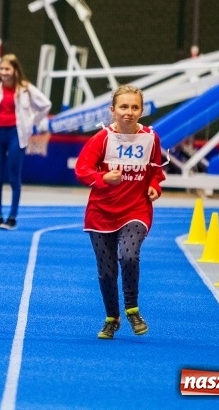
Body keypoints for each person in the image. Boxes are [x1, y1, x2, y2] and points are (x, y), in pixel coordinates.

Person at [74, 84, 166, 339]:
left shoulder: (150, 138)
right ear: (112, 110)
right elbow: (82, 170)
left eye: (134, 107)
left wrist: (154, 186)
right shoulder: (102, 138)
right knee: (107, 271)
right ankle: (111, 318)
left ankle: (132, 310)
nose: (129, 112)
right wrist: (103, 178)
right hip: (101, 214)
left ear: (141, 110)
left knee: (128, 256)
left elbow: (156, 170)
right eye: (123, 107)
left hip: (136, 210)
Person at [0, 54, 52, 230]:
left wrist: (33, 121)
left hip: (15, 135)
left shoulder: (25, 89)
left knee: (13, 177)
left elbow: (46, 104)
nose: (4, 72)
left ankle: (12, 217)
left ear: (15, 70)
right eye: (1, 69)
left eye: (7, 69)